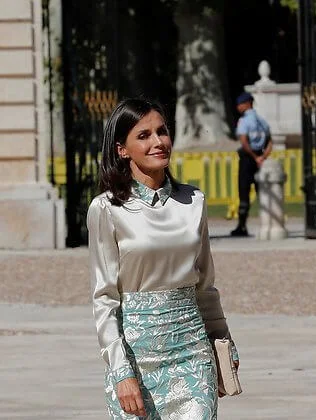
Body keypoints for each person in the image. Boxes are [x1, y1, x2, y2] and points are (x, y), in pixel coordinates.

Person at [87, 98, 239, 419]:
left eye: (162, 131)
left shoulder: (193, 201)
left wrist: (223, 340)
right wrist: (120, 371)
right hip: (136, 359)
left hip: (193, 354)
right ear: (122, 149)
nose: (158, 142)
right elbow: (104, 299)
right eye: (144, 135)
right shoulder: (106, 209)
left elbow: (205, 286)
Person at [231, 92, 272, 237]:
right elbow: (270, 142)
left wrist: (254, 157)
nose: (238, 107)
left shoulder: (244, 121)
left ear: (247, 103)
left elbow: (243, 141)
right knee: (263, 192)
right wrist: (262, 157)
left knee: (244, 192)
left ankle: (242, 226)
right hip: (260, 159)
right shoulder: (262, 121)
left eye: (240, 104)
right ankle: (268, 224)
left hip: (248, 159)